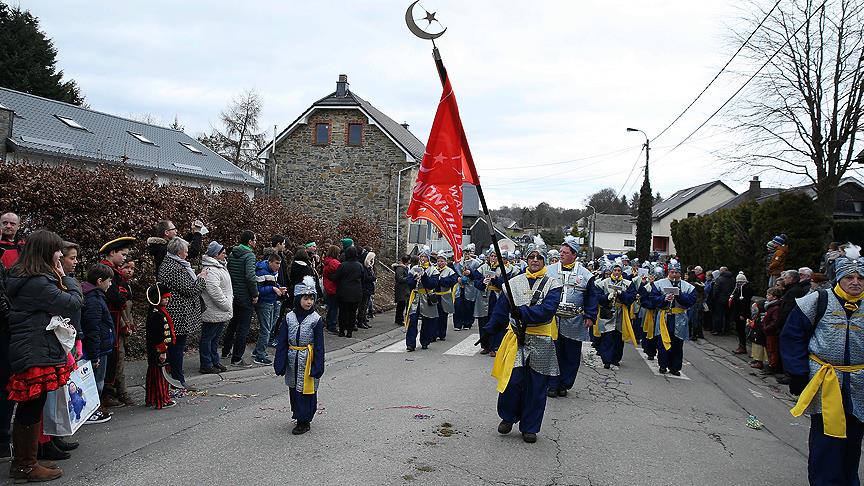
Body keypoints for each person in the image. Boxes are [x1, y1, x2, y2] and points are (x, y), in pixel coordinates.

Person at [781, 243, 864, 485]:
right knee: (827, 440)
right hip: (826, 381)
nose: (856, 282)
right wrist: (797, 373)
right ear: (839, 278)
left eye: (860, 277)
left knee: (852, 441)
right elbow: (792, 335)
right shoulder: (819, 300)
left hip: (858, 384)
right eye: (849, 276)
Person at [5, 229, 82, 482]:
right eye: (57, 250)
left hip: (34, 346)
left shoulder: (30, 277)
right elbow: (71, 303)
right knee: (30, 406)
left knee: (32, 405)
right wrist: (67, 278)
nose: (60, 254)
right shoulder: (37, 282)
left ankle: (28, 459)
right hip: (33, 348)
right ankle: (25, 465)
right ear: (47, 252)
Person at [489, 245, 562, 443]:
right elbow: (501, 310)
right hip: (516, 340)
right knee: (512, 381)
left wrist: (523, 312)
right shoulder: (513, 283)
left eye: (539, 257)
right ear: (526, 259)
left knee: (537, 386)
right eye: (531, 256)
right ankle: (508, 416)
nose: (535, 260)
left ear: (544, 260)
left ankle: (530, 426)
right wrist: (490, 329)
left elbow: (548, 310)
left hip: (541, 340)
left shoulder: (553, 284)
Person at [545, 236, 597, 398]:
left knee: (571, 355)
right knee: (552, 353)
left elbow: (591, 296)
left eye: (565, 252)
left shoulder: (585, 274)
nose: (561, 254)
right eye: (560, 251)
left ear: (574, 255)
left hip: (574, 321)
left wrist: (590, 315)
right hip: (553, 320)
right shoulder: (550, 270)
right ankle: (552, 385)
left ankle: (564, 384)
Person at [274, 276, 324, 435]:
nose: (309, 302)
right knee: (294, 389)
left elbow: (319, 346)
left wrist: (318, 366)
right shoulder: (289, 317)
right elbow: (282, 341)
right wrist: (280, 362)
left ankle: (305, 420)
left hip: (307, 359)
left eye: (311, 298)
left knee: (307, 390)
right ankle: (297, 414)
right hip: (292, 357)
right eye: (305, 298)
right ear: (298, 298)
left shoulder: (315, 319)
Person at [157, 237, 207, 388]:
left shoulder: (173, 264)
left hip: (178, 312)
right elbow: (190, 290)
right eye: (185, 251)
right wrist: (202, 279)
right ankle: (178, 380)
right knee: (177, 347)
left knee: (176, 347)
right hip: (177, 314)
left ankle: (176, 378)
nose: (187, 254)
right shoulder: (175, 268)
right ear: (179, 252)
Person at [97, 236, 135, 408]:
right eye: (123, 254)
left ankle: (117, 391)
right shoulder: (106, 270)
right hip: (111, 320)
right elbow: (115, 297)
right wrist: (121, 300)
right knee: (112, 357)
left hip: (117, 319)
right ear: (112, 253)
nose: (125, 258)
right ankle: (107, 393)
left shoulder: (115, 271)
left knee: (117, 357)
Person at [80, 263, 117, 424]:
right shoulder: (94, 300)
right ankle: (91, 411)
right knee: (96, 382)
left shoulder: (95, 296)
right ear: (100, 281)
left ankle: (95, 408)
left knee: (97, 381)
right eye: (109, 281)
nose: (110, 284)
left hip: (101, 347)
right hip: (98, 350)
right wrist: (95, 356)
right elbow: (92, 329)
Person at [646, 261, 697, 376]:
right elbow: (653, 298)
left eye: (676, 272)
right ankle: (663, 365)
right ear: (668, 272)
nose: (674, 274)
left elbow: (691, 301)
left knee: (677, 343)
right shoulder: (659, 284)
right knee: (662, 342)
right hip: (664, 317)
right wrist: (664, 299)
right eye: (672, 272)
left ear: (680, 273)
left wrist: (679, 295)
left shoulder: (688, 286)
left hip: (679, 318)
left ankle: (675, 367)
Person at [222, 231, 258, 367]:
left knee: (232, 324)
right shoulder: (249, 256)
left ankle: (225, 351)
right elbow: (250, 276)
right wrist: (255, 294)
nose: (255, 242)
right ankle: (237, 358)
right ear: (249, 241)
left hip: (233, 294)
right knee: (243, 328)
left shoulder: (232, 254)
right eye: (254, 240)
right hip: (245, 296)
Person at [594, 263, 637, 369]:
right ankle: (607, 359)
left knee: (618, 337)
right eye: (615, 270)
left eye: (619, 270)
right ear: (611, 271)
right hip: (607, 311)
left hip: (621, 312)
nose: (617, 272)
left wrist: (621, 294)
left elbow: (631, 297)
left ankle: (616, 358)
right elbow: (597, 297)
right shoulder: (603, 283)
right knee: (607, 336)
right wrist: (607, 297)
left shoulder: (628, 283)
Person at [199, 241, 233, 374]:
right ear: (215, 254)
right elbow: (214, 290)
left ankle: (215, 361)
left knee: (215, 338)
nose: (225, 254)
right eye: (222, 252)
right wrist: (226, 304)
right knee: (208, 338)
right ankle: (206, 364)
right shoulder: (211, 270)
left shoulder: (220, 267)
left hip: (220, 310)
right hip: (214, 310)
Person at [144, 283, 177, 409]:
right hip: (158, 350)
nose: (167, 300)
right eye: (165, 298)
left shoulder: (157, 311)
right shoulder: (156, 315)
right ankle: (162, 399)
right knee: (160, 376)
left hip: (158, 349)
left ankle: (152, 398)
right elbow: (157, 336)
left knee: (155, 373)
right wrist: (162, 352)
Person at [253, 253, 286, 366]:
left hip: (271, 301)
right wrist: (273, 288)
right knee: (266, 329)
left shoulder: (273, 272)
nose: (278, 266)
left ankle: (258, 350)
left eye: (279, 264)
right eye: (276, 263)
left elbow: (274, 283)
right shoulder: (261, 271)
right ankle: (260, 355)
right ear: (270, 262)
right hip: (264, 303)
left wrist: (278, 287)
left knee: (270, 327)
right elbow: (258, 289)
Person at [331, 246, 364, 338]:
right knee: (353, 313)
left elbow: (336, 277)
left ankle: (342, 331)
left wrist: (329, 276)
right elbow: (363, 278)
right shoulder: (359, 265)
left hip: (344, 291)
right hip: (356, 292)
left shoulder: (343, 265)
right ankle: (350, 332)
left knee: (343, 312)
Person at [427, 252, 458, 341]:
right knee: (433, 315)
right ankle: (433, 334)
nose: (440, 263)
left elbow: (451, 281)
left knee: (443, 315)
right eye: (438, 261)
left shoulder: (450, 271)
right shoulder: (433, 269)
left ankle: (442, 334)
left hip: (445, 296)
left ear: (445, 262)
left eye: (442, 261)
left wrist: (440, 279)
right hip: (434, 295)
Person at [453, 244, 480, 332]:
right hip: (460, 285)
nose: (466, 254)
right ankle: (457, 324)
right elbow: (453, 272)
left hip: (470, 286)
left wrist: (470, 273)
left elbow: (478, 275)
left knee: (468, 305)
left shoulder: (475, 263)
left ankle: (467, 323)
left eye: (468, 253)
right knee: (458, 305)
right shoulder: (457, 262)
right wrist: (458, 278)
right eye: (465, 253)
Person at [730, 272, 755, 355]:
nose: (738, 284)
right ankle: (741, 345)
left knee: (741, 330)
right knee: (739, 330)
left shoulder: (746, 290)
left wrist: (742, 314)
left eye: (739, 282)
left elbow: (745, 303)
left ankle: (742, 346)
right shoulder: (739, 289)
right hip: (738, 312)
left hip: (741, 313)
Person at [761, 287, 784, 375]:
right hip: (768, 331)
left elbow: (775, 321)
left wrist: (766, 327)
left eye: (769, 295)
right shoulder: (771, 306)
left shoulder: (775, 308)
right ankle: (771, 364)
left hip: (771, 332)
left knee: (772, 349)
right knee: (770, 348)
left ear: (774, 297)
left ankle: (772, 366)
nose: (767, 296)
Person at [709, 266, 734, 335]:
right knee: (727, 316)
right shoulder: (732, 279)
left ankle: (718, 330)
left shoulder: (719, 279)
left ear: (722, 271)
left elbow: (716, 290)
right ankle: (726, 330)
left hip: (720, 300)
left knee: (719, 315)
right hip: (729, 300)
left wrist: (714, 298)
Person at [322, 245, 341, 334]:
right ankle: (332, 325)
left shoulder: (327, 261)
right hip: (334, 287)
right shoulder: (334, 263)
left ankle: (329, 324)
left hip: (328, 287)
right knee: (334, 308)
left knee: (331, 307)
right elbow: (341, 272)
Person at [357, 251, 376, 329]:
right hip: (365, 289)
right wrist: (373, 278)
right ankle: (360, 321)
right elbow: (365, 278)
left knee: (365, 306)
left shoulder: (369, 267)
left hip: (368, 289)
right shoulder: (363, 267)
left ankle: (363, 320)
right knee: (363, 306)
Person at [393, 255, 411, 327]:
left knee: (401, 305)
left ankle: (399, 319)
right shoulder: (400, 268)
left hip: (403, 289)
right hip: (401, 289)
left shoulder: (404, 268)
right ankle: (399, 320)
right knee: (401, 305)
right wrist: (408, 278)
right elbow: (399, 279)